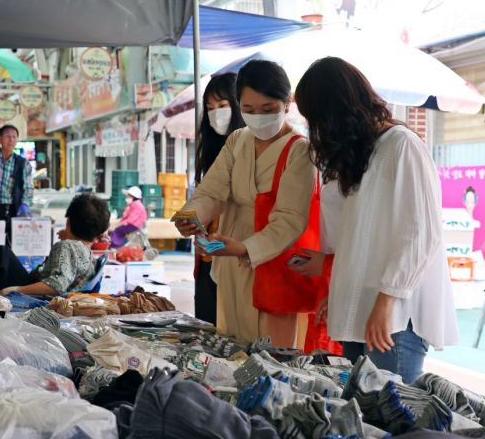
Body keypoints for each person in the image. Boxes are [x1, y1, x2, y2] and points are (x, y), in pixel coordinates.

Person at [293, 56, 458, 383]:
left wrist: (386, 302)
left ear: (338, 110)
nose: (316, 130)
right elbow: (354, 239)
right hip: (360, 311)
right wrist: (335, 292)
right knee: (366, 419)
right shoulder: (361, 153)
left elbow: (421, 234)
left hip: (393, 317)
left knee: (392, 421)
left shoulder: (402, 145)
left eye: (317, 118)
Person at [174, 60, 318, 347]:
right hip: (230, 255)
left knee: (272, 352)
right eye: (249, 110)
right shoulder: (238, 140)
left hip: (274, 260)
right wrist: (191, 216)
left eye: (268, 110)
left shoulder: (299, 150)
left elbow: (290, 219)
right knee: (232, 340)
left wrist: (244, 248)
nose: (258, 117)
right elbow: (212, 191)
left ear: (286, 104)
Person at [0, 193, 110, 295]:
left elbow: (57, 285)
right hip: (51, 297)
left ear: (68, 222)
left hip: (35, 299)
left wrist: (16, 289)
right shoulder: (87, 252)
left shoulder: (66, 246)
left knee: (0, 253)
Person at [192, 73, 246, 325]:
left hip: (238, 258)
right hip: (208, 256)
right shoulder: (211, 150)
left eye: (223, 106)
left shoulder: (250, 149)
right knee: (208, 332)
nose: (216, 114)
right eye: (210, 108)